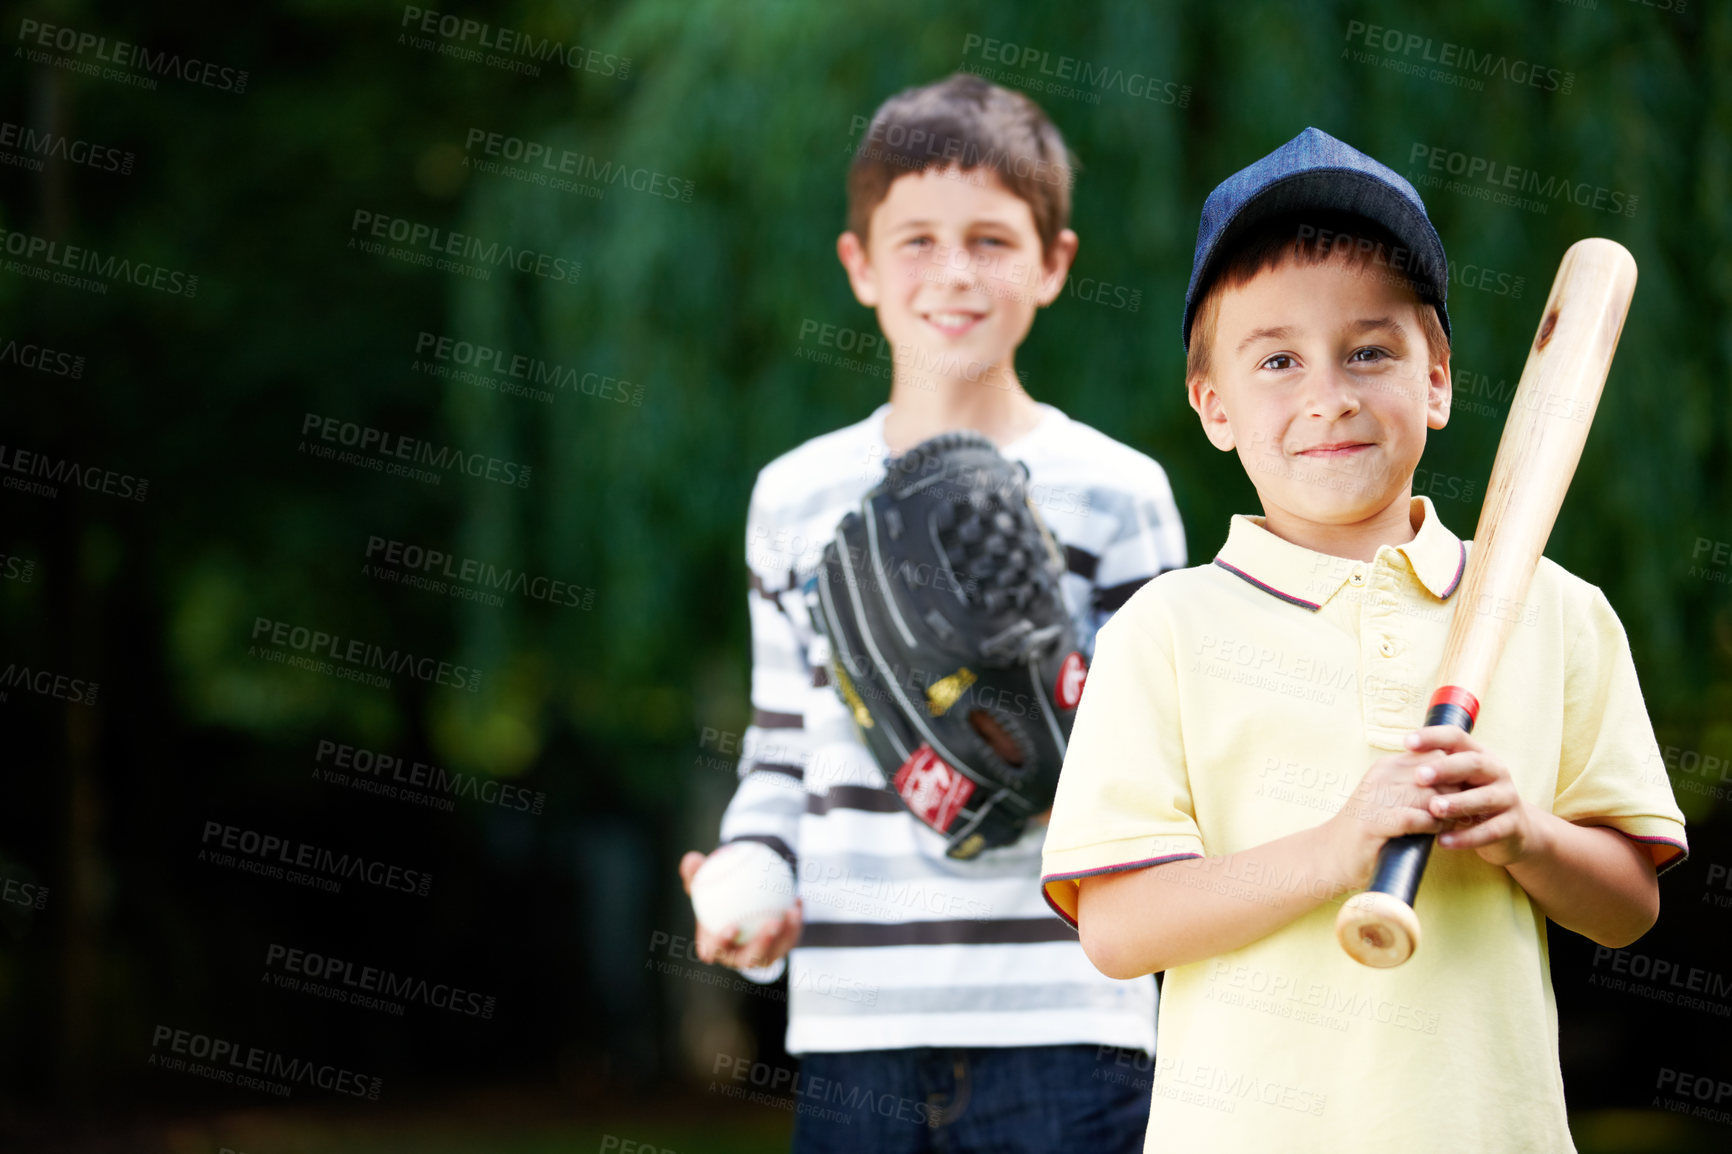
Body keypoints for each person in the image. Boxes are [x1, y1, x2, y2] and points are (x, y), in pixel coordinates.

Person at [1040, 126, 1689, 1153]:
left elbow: (1626, 906)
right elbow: (1117, 928)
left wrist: (1526, 833)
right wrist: (1336, 847)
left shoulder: (1556, 608)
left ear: (1435, 379)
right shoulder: (1163, 630)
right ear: (1214, 406)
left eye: (1369, 349)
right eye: (1277, 359)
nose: (1328, 395)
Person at [678, 73, 1187, 1152]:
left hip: (1066, 1017)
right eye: (915, 239)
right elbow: (779, 754)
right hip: (856, 1024)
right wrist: (753, 883)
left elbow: (1159, 765)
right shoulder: (794, 495)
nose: (953, 272)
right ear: (859, 265)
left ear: (1053, 265)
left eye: (992, 241)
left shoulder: (1118, 489)